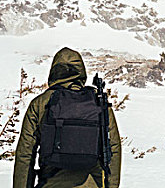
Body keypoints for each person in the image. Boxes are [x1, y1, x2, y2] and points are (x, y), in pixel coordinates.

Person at [13, 47, 121, 188]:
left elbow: (25, 154)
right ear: (81, 72)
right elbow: (113, 148)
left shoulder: (40, 103)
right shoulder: (98, 102)